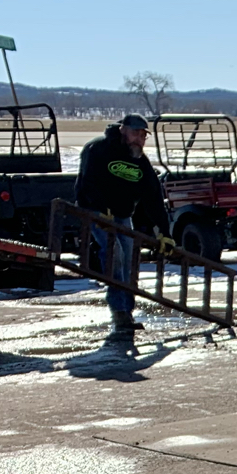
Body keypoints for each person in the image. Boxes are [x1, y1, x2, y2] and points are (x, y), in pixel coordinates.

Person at [76, 113, 171, 345]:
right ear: (123, 130)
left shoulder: (141, 161)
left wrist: (164, 232)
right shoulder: (98, 149)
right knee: (115, 253)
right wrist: (99, 207)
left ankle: (126, 312)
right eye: (136, 133)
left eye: (143, 135)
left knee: (129, 260)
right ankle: (119, 312)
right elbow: (85, 182)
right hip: (97, 212)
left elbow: (153, 198)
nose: (140, 139)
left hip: (122, 215)